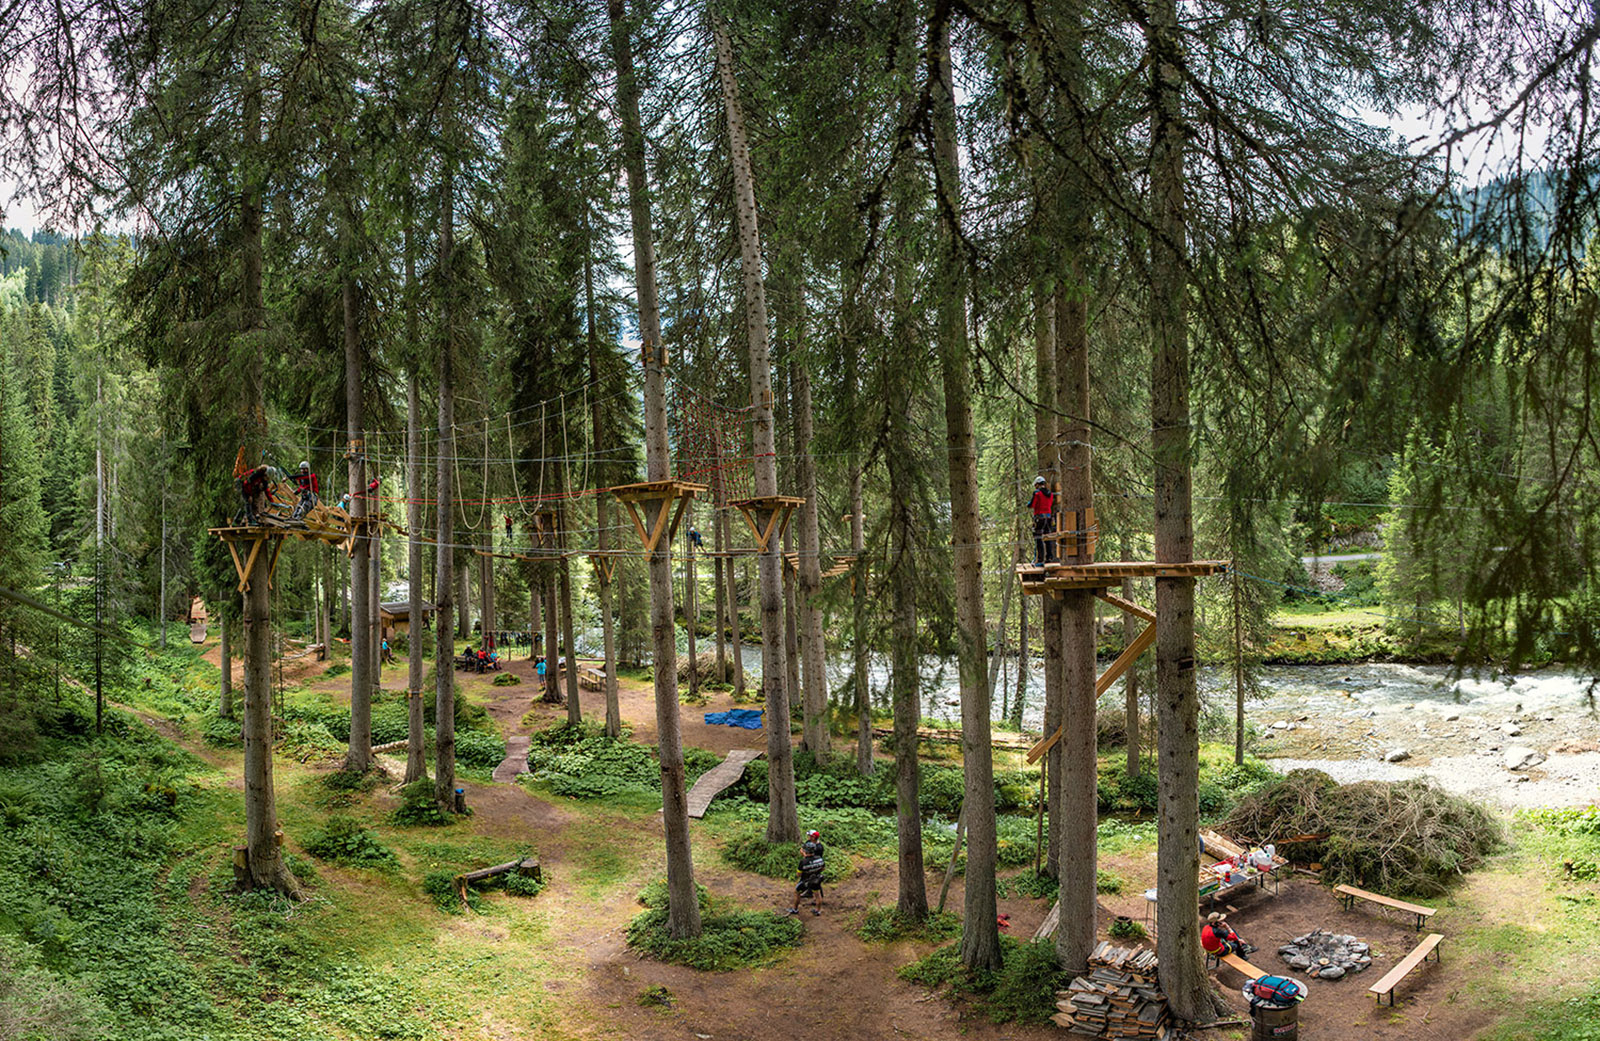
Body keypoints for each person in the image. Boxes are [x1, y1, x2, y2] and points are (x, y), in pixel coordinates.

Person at [788, 833, 826, 916]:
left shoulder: (803, 862)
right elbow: (823, 868)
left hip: (805, 880)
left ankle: (795, 909)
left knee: (797, 893)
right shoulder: (820, 858)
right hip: (816, 879)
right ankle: (818, 911)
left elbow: (798, 874)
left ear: (805, 851)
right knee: (817, 894)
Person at [1029, 476, 1055, 564]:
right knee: (1047, 537)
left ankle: (1039, 559)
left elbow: (1032, 504)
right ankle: (1049, 557)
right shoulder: (1050, 494)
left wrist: (1029, 504)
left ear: (1037, 484)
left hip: (1039, 518)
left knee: (1038, 538)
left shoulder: (1037, 493)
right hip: (1048, 518)